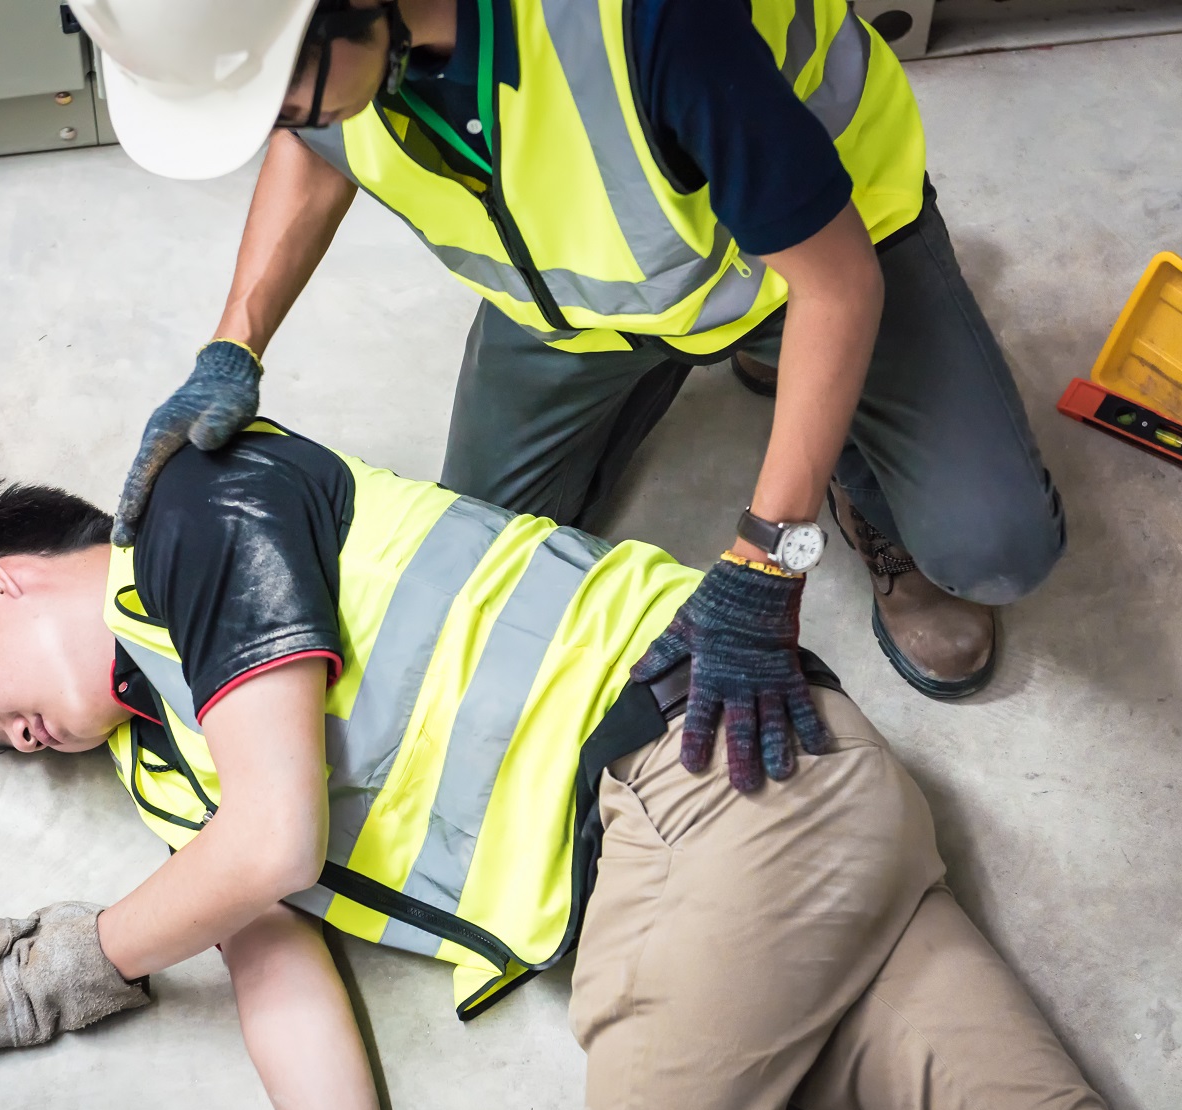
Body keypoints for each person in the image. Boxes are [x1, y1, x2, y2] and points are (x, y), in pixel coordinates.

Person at [0, 425, 1182, 1110]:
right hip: (769, 859)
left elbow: (276, 836)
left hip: (700, 784)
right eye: (5, 748)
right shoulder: (183, 787)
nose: (25, 739)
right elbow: (278, 963)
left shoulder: (200, 512)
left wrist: (52, 966)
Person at [68, 0, 1066, 789]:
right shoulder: (336, 54)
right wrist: (232, 348)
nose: (282, 123)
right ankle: (698, 369)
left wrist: (771, 558)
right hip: (586, 310)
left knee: (995, 549)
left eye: (280, 93)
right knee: (474, 563)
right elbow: (313, 144)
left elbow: (837, 285)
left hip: (815, 263)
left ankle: (847, 460)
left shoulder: (646, 19)